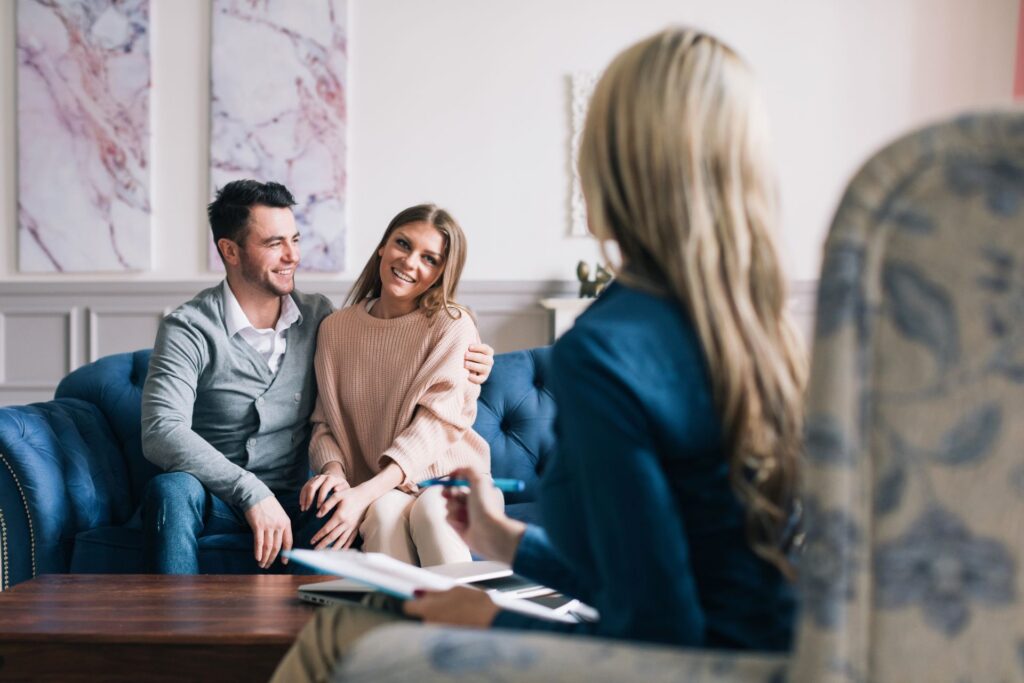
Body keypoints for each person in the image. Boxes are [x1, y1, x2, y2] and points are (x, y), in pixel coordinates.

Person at [271, 26, 806, 682]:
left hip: (688, 665)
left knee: (341, 632)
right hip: (776, 654)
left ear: (610, 167)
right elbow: (655, 567)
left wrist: (496, 618)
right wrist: (499, 538)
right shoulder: (758, 326)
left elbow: (656, 625)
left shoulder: (607, 349)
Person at [139, 181, 494, 574]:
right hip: (217, 498)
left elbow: (412, 378)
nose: (293, 256)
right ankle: (176, 628)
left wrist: (475, 363)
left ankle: (391, 627)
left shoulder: (316, 318)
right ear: (230, 251)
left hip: (305, 502)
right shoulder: (190, 327)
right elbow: (162, 430)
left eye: (295, 239)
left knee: (371, 510)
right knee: (171, 488)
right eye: (275, 244)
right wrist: (256, 490)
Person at [298, 204, 489, 566]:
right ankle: (401, 622)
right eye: (403, 244)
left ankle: (467, 621)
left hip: (450, 478)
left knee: (434, 510)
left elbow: (436, 427)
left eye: (430, 258)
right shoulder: (335, 329)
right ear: (383, 246)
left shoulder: (452, 324)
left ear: (441, 273)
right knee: (383, 515)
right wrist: (336, 474)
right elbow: (325, 422)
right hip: (386, 488)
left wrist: (362, 495)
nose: (410, 262)